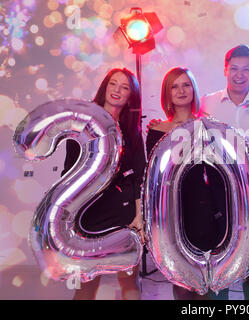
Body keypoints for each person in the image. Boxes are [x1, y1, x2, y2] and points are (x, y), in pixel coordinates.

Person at [61, 68, 146, 300]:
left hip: (124, 215)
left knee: (129, 281)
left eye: (125, 87)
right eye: (113, 84)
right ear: (104, 88)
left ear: (131, 96)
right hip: (89, 217)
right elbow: (69, 173)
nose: (117, 90)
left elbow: (140, 174)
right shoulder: (82, 125)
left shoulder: (132, 130)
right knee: (86, 285)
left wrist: (139, 216)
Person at [146, 67, 228, 300]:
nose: (181, 90)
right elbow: (152, 175)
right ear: (167, 93)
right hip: (171, 213)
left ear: (193, 89)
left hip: (203, 209)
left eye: (186, 85)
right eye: (175, 86)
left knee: (203, 278)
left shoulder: (206, 126)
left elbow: (217, 172)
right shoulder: (156, 129)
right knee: (180, 279)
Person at [199, 45, 249, 300]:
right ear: (225, 70)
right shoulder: (207, 102)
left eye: (246, 70)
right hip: (216, 192)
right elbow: (189, 129)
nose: (239, 75)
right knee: (218, 256)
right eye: (234, 69)